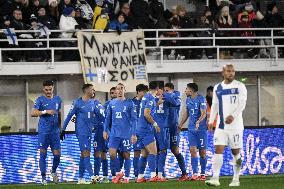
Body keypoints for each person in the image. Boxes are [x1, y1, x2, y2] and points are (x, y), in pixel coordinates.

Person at [205, 64, 247, 187]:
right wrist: (211, 121)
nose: (231, 73)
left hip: (236, 126)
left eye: (233, 71)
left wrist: (233, 115)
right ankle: (215, 178)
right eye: (228, 71)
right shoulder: (218, 87)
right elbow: (215, 106)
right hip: (221, 126)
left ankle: (236, 178)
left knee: (236, 153)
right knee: (218, 150)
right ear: (223, 72)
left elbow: (242, 104)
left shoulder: (240, 86)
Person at [61, 84, 105, 184]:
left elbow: (101, 117)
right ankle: (92, 176)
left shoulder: (93, 103)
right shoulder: (77, 103)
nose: (94, 90)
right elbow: (69, 116)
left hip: (89, 132)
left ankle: (80, 178)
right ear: (86, 90)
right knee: (86, 153)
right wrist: (63, 129)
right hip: (81, 132)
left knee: (83, 155)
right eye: (92, 89)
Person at [103, 83, 137, 184]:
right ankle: (118, 173)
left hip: (126, 134)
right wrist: (105, 130)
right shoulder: (111, 104)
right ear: (116, 91)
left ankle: (126, 178)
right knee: (112, 153)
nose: (120, 91)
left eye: (121, 89)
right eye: (118, 89)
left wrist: (134, 134)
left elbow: (134, 120)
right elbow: (107, 119)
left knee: (126, 155)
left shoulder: (130, 103)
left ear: (124, 90)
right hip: (114, 134)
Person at [31, 80, 62, 185]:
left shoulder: (58, 99)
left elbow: (59, 113)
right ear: (43, 89)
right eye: (46, 89)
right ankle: (43, 178)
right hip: (44, 132)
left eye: (50, 89)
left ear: (53, 88)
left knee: (57, 155)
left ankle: (53, 171)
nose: (48, 91)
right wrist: (45, 111)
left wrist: (60, 128)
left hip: (55, 132)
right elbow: (33, 113)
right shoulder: (40, 100)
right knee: (42, 154)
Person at [179, 83, 207, 181]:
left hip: (201, 130)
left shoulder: (201, 99)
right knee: (192, 150)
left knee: (202, 152)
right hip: (191, 129)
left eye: (186, 89)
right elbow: (186, 113)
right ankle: (195, 173)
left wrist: (199, 121)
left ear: (191, 90)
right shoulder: (188, 100)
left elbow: (204, 113)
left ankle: (203, 173)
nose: (185, 91)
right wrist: (180, 124)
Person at [136, 81, 161, 183]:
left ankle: (140, 177)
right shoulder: (150, 98)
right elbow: (146, 114)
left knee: (144, 154)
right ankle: (153, 175)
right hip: (146, 129)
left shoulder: (146, 97)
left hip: (140, 128)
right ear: (157, 89)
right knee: (153, 152)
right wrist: (155, 124)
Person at [164, 83, 189, 181]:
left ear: (172, 90)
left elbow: (175, 103)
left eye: (167, 90)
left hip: (174, 128)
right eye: (164, 91)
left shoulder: (177, 98)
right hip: (163, 128)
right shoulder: (165, 98)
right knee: (162, 150)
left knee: (175, 150)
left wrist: (165, 94)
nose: (165, 92)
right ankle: (160, 174)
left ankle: (184, 173)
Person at [132, 84, 149, 180]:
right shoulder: (131, 103)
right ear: (139, 92)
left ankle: (141, 174)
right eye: (144, 92)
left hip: (145, 130)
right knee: (137, 152)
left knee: (145, 152)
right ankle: (136, 174)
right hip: (136, 131)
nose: (146, 94)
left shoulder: (146, 101)